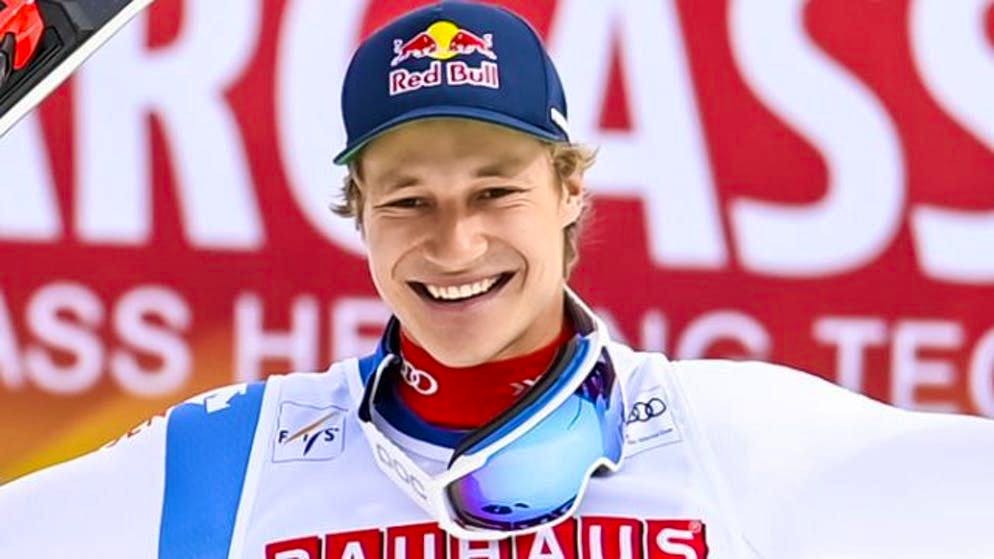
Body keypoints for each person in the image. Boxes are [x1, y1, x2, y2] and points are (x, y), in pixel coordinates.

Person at [2, 2, 993, 558]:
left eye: (495, 191)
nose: (456, 242)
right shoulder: (233, 462)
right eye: (409, 200)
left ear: (568, 190)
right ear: (358, 211)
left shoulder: (732, 439)